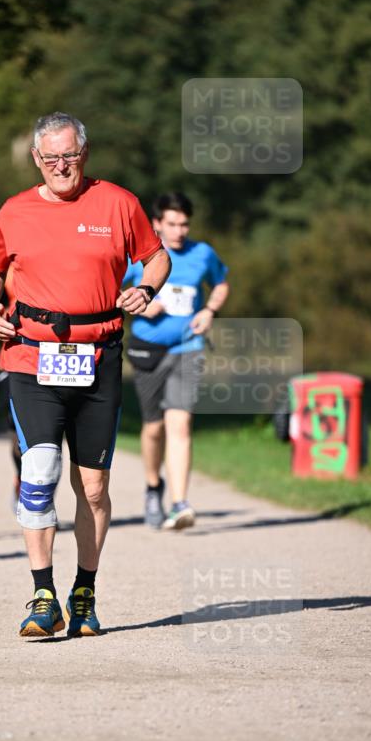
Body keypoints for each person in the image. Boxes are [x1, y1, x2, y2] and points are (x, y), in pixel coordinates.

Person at [0, 111, 170, 638]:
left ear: (83, 155)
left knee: (93, 487)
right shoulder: (14, 211)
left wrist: (146, 289)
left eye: (70, 155)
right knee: (38, 474)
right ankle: (43, 596)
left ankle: (83, 592)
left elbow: (156, 258)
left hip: (99, 354)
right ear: (36, 160)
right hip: (31, 354)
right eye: (50, 157)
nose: (61, 165)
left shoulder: (118, 202)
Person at [122, 192, 229, 530]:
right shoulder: (141, 256)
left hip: (188, 347)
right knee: (153, 428)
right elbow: (110, 288)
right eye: (172, 224)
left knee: (179, 424)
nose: (179, 231)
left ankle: (180, 503)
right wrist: (140, 300)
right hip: (148, 350)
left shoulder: (203, 254)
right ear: (157, 224)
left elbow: (221, 283)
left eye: (184, 224)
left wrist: (209, 310)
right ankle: (154, 486)